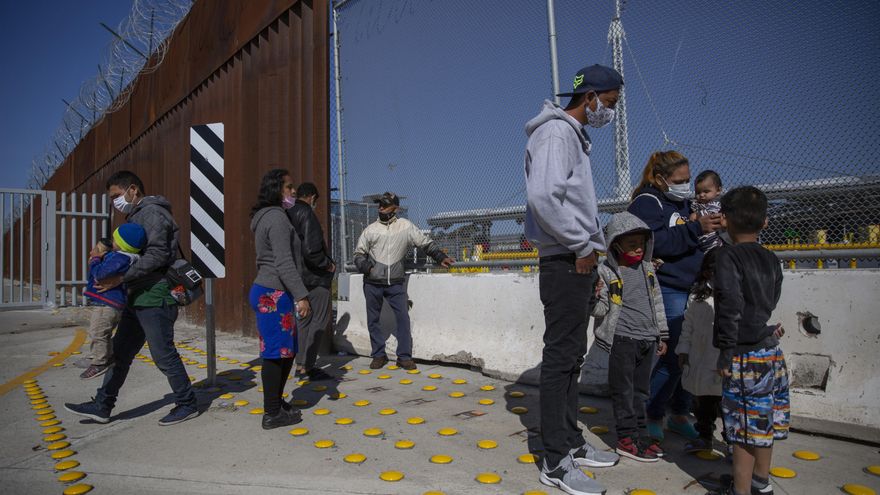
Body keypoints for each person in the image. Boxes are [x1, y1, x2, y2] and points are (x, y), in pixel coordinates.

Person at [524, 64, 622, 495]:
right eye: (611, 103)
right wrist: (581, 245)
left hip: (576, 258)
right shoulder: (556, 134)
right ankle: (554, 460)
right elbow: (543, 196)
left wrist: (590, 252)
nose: (610, 112)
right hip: (565, 259)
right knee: (560, 357)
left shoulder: (570, 136)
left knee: (571, 359)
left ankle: (570, 442)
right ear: (591, 97)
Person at [65, 170, 199, 426]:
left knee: (163, 354)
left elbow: (158, 255)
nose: (115, 201)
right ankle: (102, 405)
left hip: (155, 295)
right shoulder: (137, 215)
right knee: (121, 353)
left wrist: (120, 277)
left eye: (117, 195)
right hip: (138, 295)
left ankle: (187, 402)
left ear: (133, 190)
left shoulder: (153, 213)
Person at [628, 150, 722, 442]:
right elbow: (652, 242)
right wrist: (695, 227)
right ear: (660, 179)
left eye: (687, 180)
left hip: (693, 287)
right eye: (679, 180)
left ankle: (680, 412)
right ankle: (652, 413)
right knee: (671, 359)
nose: (685, 185)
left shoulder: (682, 203)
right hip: (668, 288)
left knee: (691, 355)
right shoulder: (648, 202)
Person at [713, 186, 788, 495]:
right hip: (770, 353)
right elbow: (772, 298)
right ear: (765, 223)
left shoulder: (727, 256)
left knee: (742, 431)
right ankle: (761, 482)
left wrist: (725, 352)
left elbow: (729, 305)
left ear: (725, 220)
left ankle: (741, 491)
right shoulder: (771, 258)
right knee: (763, 419)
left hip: (745, 357)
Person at [592, 212, 669, 463]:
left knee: (641, 393)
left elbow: (657, 303)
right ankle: (626, 439)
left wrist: (662, 335)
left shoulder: (648, 270)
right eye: (630, 244)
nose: (638, 248)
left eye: (641, 243)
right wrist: (592, 295)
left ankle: (640, 435)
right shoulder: (606, 272)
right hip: (623, 340)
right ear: (616, 245)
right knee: (623, 392)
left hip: (648, 339)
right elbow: (601, 309)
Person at [352, 192, 454, 371]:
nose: (380, 207)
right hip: (372, 283)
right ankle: (378, 355)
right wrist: (367, 268)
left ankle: (404, 357)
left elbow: (425, 243)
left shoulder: (406, 227)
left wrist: (440, 256)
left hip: (396, 283)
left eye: (385, 204)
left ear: (395, 208)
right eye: (379, 204)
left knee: (403, 319)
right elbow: (358, 254)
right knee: (373, 320)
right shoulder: (370, 230)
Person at [249, 169, 311, 429]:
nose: (293, 191)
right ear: (276, 190)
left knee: (285, 352)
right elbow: (284, 262)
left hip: (270, 291)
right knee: (276, 354)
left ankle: (276, 401)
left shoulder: (269, 217)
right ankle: (272, 413)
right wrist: (302, 295)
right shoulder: (276, 219)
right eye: (288, 186)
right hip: (274, 292)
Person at [80, 224, 146, 380]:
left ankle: (99, 362)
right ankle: (99, 356)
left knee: (98, 331)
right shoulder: (120, 257)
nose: (112, 241)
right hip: (106, 302)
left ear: (122, 243)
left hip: (107, 303)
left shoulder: (121, 258)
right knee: (100, 331)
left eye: (115, 239)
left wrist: (96, 259)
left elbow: (100, 274)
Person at [675, 249, 725, 455]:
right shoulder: (698, 295)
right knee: (702, 403)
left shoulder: (735, 296)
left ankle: (732, 443)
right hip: (699, 358)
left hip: (721, 361)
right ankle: (704, 437)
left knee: (725, 406)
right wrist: (683, 351)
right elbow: (688, 326)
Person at [285, 182, 335, 380]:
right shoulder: (307, 214)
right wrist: (327, 265)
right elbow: (312, 249)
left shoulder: (287, 213)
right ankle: (308, 366)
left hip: (296, 277)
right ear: (312, 197)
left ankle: (300, 364)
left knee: (303, 320)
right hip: (314, 277)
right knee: (319, 320)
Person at [690, 170, 724, 251]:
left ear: (718, 190)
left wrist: (696, 215)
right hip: (702, 244)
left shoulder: (716, 204)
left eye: (706, 191)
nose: (701, 195)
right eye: (698, 192)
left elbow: (711, 214)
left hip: (714, 244)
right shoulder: (698, 205)